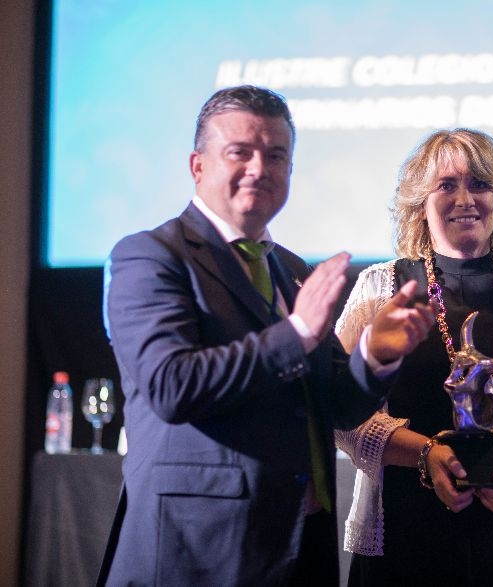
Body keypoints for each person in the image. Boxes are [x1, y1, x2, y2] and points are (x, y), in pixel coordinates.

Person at [98, 85, 435, 585]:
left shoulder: (291, 269)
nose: (260, 168)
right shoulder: (150, 257)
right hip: (200, 550)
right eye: (240, 152)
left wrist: (374, 355)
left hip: (301, 544)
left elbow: (332, 406)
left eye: (276, 156)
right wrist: (297, 331)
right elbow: (172, 387)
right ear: (197, 165)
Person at [334, 128, 493, 586]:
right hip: (404, 528)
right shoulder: (379, 287)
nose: (465, 199)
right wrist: (426, 455)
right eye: (446, 185)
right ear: (420, 203)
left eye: (479, 183)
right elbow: (342, 411)